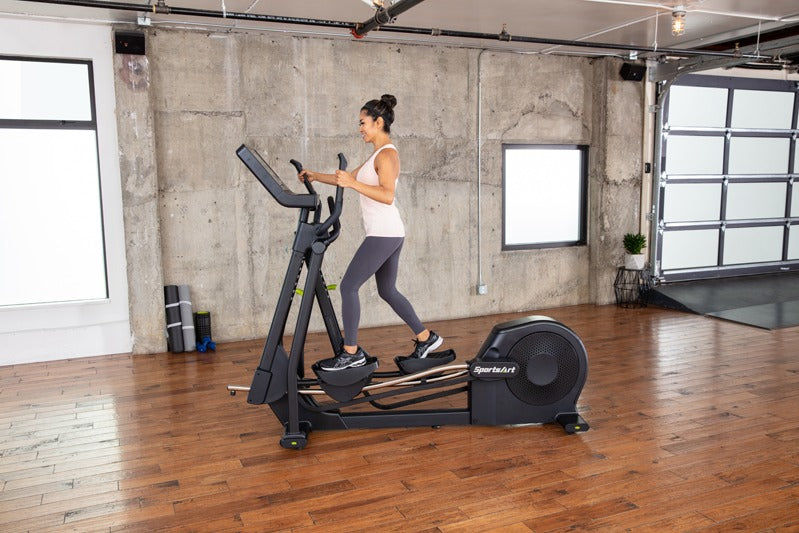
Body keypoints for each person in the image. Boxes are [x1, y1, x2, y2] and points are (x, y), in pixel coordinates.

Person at [298, 94, 442, 371]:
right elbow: (345, 179)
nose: (360, 128)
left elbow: (387, 195)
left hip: (384, 233)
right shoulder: (376, 155)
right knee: (387, 290)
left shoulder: (387, 154)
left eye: (363, 123)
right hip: (388, 232)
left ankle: (351, 353)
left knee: (348, 287)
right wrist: (315, 175)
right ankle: (427, 338)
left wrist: (352, 184)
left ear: (378, 122)